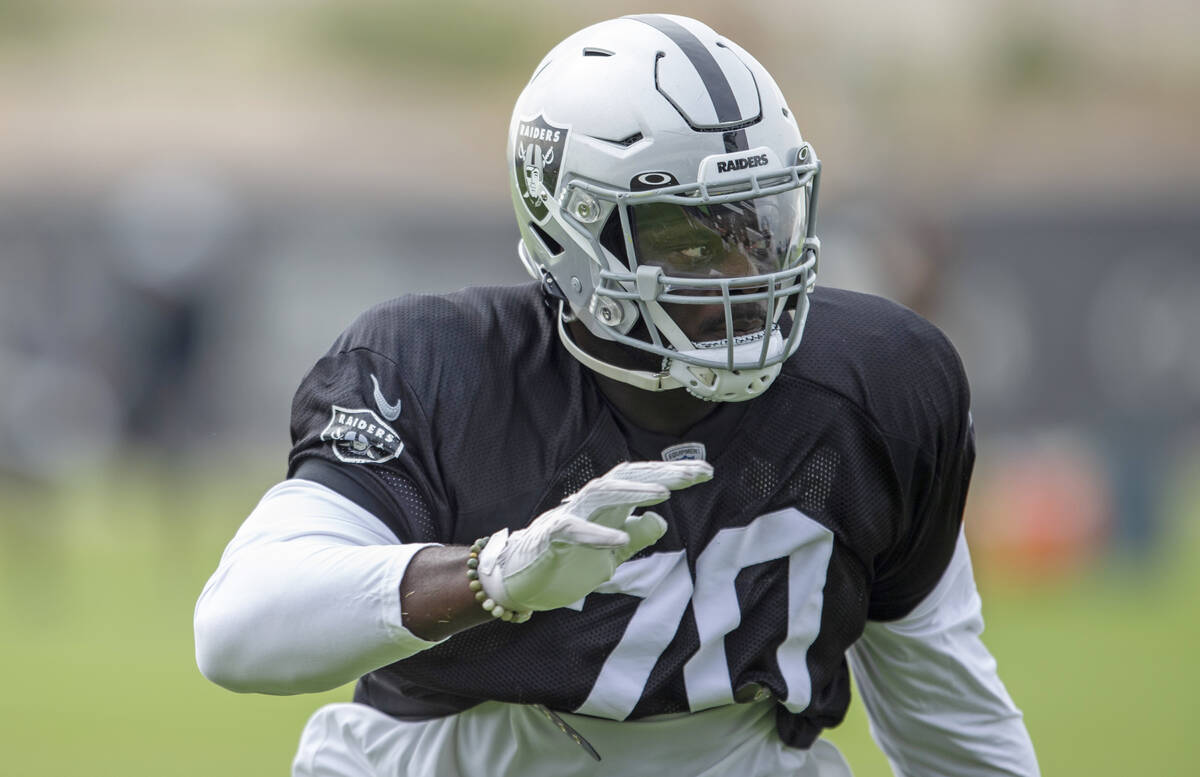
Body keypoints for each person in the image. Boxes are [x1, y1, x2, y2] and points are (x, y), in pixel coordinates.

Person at [194, 14, 1039, 777]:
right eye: (688, 235)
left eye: (758, 221)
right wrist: (497, 575)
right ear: (572, 230)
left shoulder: (873, 385)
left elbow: (951, 719)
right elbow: (238, 627)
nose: (747, 273)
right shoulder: (443, 370)